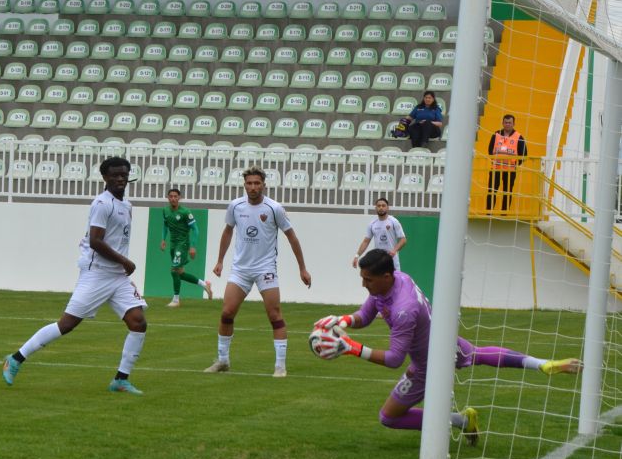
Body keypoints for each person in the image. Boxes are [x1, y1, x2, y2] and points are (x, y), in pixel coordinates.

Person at [312, 249, 581, 444]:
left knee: (389, 417)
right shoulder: (395, 280)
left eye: (367, 280)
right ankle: (541, 365)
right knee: (477, 354)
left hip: (429, 365)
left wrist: (352, 348)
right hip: (440, 342)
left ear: (384, 276)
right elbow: (367, 314)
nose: (363, 284)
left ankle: (460, 421)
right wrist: (344, 320)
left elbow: (394, 358)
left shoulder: (404, 309)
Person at [3, 157, 148, 395]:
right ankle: (16, 358)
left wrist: (121, 264)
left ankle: (121, 379)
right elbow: (95, 241)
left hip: (117, 277)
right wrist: (124, 260)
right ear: (105, 178)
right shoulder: (102, 204)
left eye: (124, 174)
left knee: (138, 322)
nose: (120, 178)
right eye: (115, 175)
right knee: (67, 324)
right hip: (97, 274)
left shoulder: (127, 205)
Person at [204, 167, 312, 377]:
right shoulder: (235, 206)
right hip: (240, 269)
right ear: (244, 185)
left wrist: (302, 268)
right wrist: (219, 261)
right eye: (249, 183)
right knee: (227, 313)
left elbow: (292, 237)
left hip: (265, 269)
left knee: (274, 315)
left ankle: (280, 366)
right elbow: (227, 231)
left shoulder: (274, 208)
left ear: (264, 184)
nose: (253, 187)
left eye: (257, 183)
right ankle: (223, 360)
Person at [160, 188, 212, 307]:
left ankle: (176, 300)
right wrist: (163, 239)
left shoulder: (185, 212)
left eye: (175, 196)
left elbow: (196, 230)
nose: (173, 198)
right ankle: (204, 284)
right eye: (171, 196)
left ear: (179, 198)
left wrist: (193, 247)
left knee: (174, 270)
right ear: (168, 198)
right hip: (173, 244)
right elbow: (165, 225)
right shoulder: (165, 210)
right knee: (180, 273)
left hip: (182, 244)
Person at [486, 114, 528, 212]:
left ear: (513, 124)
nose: (507, 124)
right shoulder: (496, 134)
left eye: (510, 123)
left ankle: (504, 212)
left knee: (507, 191)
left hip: (510, 170)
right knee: (492, 190)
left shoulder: (519, 137)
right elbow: (490, 149)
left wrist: (516, 164)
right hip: (496, 167)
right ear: (502, 123)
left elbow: (524, 154)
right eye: (506, 122)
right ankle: (489, 212)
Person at [352, 197, 406, 272]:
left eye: (383, 206)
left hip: (392, 260)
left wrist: (394, 250)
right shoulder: (372, 224)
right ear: (376, 208)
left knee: (394, 282)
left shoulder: (394, 221)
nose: (381, 208)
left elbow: (403, 240)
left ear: (388, 208)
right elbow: (366, 241)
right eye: (379, 206)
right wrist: (357, 256)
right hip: (378, 260)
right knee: (379, 282)